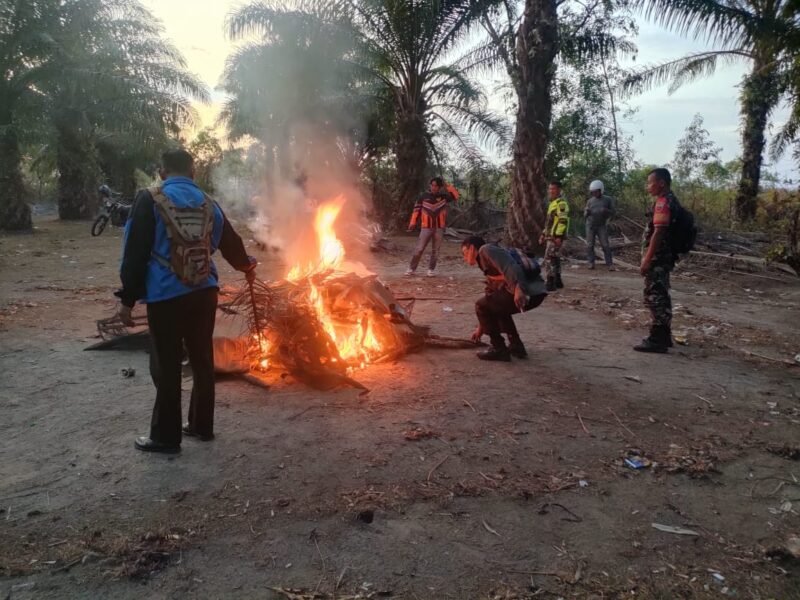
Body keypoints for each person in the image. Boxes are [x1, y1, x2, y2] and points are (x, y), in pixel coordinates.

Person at [115, 148, 257, 453]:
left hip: (166, 296)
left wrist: (127, 299)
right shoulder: (209, 203)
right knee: (203, 359)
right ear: (193, 173)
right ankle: (201, 426)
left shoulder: (149, 200)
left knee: (166, 364)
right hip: (205, 292)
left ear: (162, 172)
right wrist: (247, 265)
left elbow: (135, 254)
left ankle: (166, 437)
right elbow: (232, 244)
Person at [461, 236, 548, 361]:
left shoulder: (486, 250)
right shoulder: (487, 266)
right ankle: (516, 346)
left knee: (480, 305)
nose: (464, 258)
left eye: (464, 252)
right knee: (496, 306)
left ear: (472, 248)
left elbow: (510, 266)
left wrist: (518, 289)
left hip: (527, 292)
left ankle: (498, 348)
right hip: (537, 294)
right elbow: (491, 298)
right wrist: (481, 328)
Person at [635, 167, 677, 353]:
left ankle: (658, 338)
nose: (648, 186)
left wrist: (647, 259)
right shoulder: (671, 200)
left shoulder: (663, 203)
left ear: (661, 183)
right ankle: (663, 335)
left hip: (658, 258)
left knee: (655, 295)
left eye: (650, 183)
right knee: (661, 293)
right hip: (664, 256)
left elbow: (658, 233)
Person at [405, 177, 457, 277]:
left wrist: (447, 184)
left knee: (435, 251)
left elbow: (455, 195)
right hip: (426, 227)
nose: (433, 187)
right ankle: (411, 269)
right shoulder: (423, 196)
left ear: (439, 187)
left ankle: (431, 270)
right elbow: (416, 210)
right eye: (432, 185)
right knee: (419, 249)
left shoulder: (444, 197)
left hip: (439, 228)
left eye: (436, 186)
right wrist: (412, 222)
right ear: (430, 186)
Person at [539, 180, 570, 291]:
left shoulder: (561, 203)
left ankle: (550, 282)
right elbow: (549, 223)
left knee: (549, 258)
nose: (551, 191)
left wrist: (558, 237)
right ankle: (558, 281)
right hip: (550, 236)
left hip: (555, 237)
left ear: (559, 190)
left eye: (554, 188)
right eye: (550, 188)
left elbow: (562, 221)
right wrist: (543, 234)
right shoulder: (553, 203)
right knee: (555, 258)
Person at [584, 179, 616, 270]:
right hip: (590, 225)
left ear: (601, 190)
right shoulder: (590, 201)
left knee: (605, 244)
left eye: (596, 191)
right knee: (590, 245)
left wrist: (606, 211)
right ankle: (591, 263)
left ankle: (610, 264)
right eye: (593, 192)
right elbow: (585, 215)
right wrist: (587, 212)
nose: (594, 193)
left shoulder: (608, 199)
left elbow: (613, 212)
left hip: (601, 225)